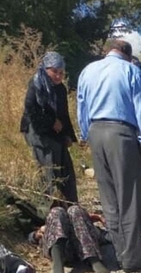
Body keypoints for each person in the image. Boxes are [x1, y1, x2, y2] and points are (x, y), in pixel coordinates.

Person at [77, 39, 141, 273]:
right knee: (130, 198)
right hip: (121, 132)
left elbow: (81, 106)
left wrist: (85, 134)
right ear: (128, 55)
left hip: (95, 132)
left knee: (109, 198)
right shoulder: (131, 70)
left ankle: (120, 254)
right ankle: (132, 260)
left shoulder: (87, 70)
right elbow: (140, 106)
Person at [20, 51, 78, 205]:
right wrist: (51, 122)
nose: (58, 76)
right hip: (37, 130)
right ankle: (52, 209)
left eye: (61, 73)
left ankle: (70, 207)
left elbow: (64, 114)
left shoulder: (61, 89)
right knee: (49, 168)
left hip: (55, 132)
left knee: (65, 168)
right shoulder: (36, 83)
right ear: (45, 69)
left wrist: (68, 135)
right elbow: (30, 109)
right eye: (55, 72)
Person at [28, 205, 111, 273]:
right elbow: (30, 236)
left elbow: (107, 235)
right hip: (58, 246)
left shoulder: (70, 199)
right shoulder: (34, 206)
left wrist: (94, 219)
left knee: (75, 210)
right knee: (56, 212)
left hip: (81, 244)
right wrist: (36, 234)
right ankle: (58, 263)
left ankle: (93, 259)